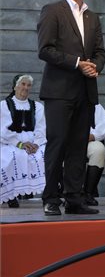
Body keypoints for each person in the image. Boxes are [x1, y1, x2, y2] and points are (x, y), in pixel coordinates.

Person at [37, 0, 105, 216]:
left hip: (85, 91)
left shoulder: (93, 17)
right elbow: (45, 50)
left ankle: (74, 199)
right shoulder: (53, 11)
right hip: (59, 91)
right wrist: (78, 63)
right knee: (57, 145)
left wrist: (94, 67)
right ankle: (51, 198)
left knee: (78, 146)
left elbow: (100, 52)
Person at [1, 75, 47, 208]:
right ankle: (11, 195)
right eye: (23, 84)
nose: (25, 88)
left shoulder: (37, 106)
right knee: (10, 157)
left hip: (33, 144)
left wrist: (36, 144)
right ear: (15, 86)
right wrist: (19, 144)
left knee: (45, 155)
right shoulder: (4, 105)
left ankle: (49, 195)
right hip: (10, 143)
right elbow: (3, 131)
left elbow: (41, 128)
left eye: (28, 85)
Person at [81, 103, 105, 206]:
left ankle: (88, 193)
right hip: (69, 143)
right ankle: (69, 193)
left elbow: (103, 128)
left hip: (89, 140)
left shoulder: (96, 106)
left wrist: (89, 136)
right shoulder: (63, 103)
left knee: (99, 150)